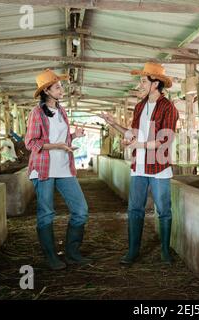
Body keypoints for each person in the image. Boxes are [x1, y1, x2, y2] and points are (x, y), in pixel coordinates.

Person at [100, 62, 179, 265]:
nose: (140, 85)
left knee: (163, 210)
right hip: (139, 166)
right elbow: (133, 134)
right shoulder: (139, 107)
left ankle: (164, 251)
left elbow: (166, 139)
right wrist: (113, 124)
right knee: (135, 209)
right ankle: (133, 251)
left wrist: (139, 144)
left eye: (143, 81)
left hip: (159, 167)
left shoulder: (168, 107)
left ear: (155, 84)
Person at [25, 69, 92, 270]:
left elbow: (62, 139)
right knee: (46, 213)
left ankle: (72, 252)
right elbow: (31, 143)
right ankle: (51, 255)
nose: (61, 90)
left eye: (61, 86)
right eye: (57, 87)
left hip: (64, 168)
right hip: (44, 168)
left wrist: (74, 136)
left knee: (81, 210)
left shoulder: (61, 111)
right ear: (46, 90)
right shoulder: (36, 113)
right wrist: (58, 146)